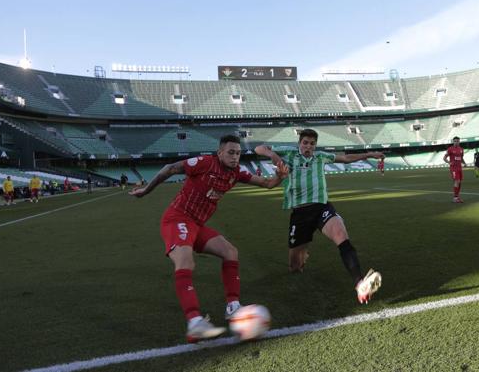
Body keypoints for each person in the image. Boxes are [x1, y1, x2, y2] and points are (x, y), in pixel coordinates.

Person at [130, 135, 288, 343]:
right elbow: (169, 168)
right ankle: (195, 322)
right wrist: (145, 191)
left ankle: (233, 307)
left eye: (238, 153)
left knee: (230, 252)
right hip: (177, 219)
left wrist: (280, 177)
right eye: (230, 152)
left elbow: (268, 184)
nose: (235, 157)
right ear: (219, 153)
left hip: (197, 225)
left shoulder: (236, 172)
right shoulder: (205, 163)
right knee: (185, 262)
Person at [254, 128, 384, 305]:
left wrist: (369, 154)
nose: (308, 146)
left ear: (315, 145)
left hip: (322, 208)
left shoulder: (320, 157)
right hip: (299, 214)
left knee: (341, 236)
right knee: (295, 267)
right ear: (299, 143)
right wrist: (275, 157)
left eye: (312, 143)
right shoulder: (289, 153)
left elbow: (345, 158)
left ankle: (360, 283)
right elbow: (258, 149)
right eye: (305, 142)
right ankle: (302, 255)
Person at [443, 136, 466, 203]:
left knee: (460, 182)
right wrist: (449, 162)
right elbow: (444, 158)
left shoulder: (461, 149)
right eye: (455, 141)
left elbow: (461, 158)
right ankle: (455, 198)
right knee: (457, 181)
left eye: (457, 141)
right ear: (453, 142)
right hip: (453, 168)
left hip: (459, 168)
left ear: (459, 142)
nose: (456, 142)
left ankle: (457, 196)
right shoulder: (450, 149)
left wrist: (464, 163)